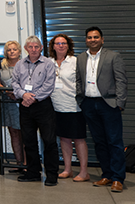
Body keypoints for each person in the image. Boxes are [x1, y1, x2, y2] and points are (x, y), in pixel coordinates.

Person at [76, 26, 127, 193]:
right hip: (89, 104)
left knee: (114, 142)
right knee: (99, 142)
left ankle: (118, 178)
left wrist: (120, 102)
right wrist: (80, 99)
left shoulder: (113, 56)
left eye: (96, 37)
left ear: (102, 39)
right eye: (89, 37)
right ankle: (107, 175)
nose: (92, 40)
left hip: (109, 104)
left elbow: (121, 80)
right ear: (86, 40)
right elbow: (78, 80)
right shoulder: (81, 58)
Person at [13, 35, 59, 186]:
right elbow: (15, 83)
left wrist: (33, 98)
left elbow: (49, 84)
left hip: (43, 106)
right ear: (26, 49)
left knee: (49, 141)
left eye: (36, 47)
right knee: (29, 141)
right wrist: (23, 95)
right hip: (25, 107)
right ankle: (33, 172)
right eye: (30, 47)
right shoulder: (19, 64)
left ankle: (52, 174)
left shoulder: (48, 64)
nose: (33, 49)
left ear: (41, 48)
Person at [49, 34, 90, 182]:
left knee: (79, 139)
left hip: (74, 106)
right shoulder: (49, 62)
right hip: (56, 106)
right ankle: (68, 169)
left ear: (68, 46)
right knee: (64, 138)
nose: (61, 46)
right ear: (53, 46)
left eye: (63, 43)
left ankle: (84, 172)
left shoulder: (75, 61)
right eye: (58, 43)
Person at [0, 40, 26, 171]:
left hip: (22, 102)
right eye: (9, 50)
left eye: (14, 49)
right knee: (13, 133)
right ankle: (19, 163)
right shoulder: (2, 65)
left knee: (25, 133)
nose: (12, 52)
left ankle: (27, 164)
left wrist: (18, 93)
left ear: (19, 51)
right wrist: (7, 92)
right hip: (8, 102)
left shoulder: (25, 64)